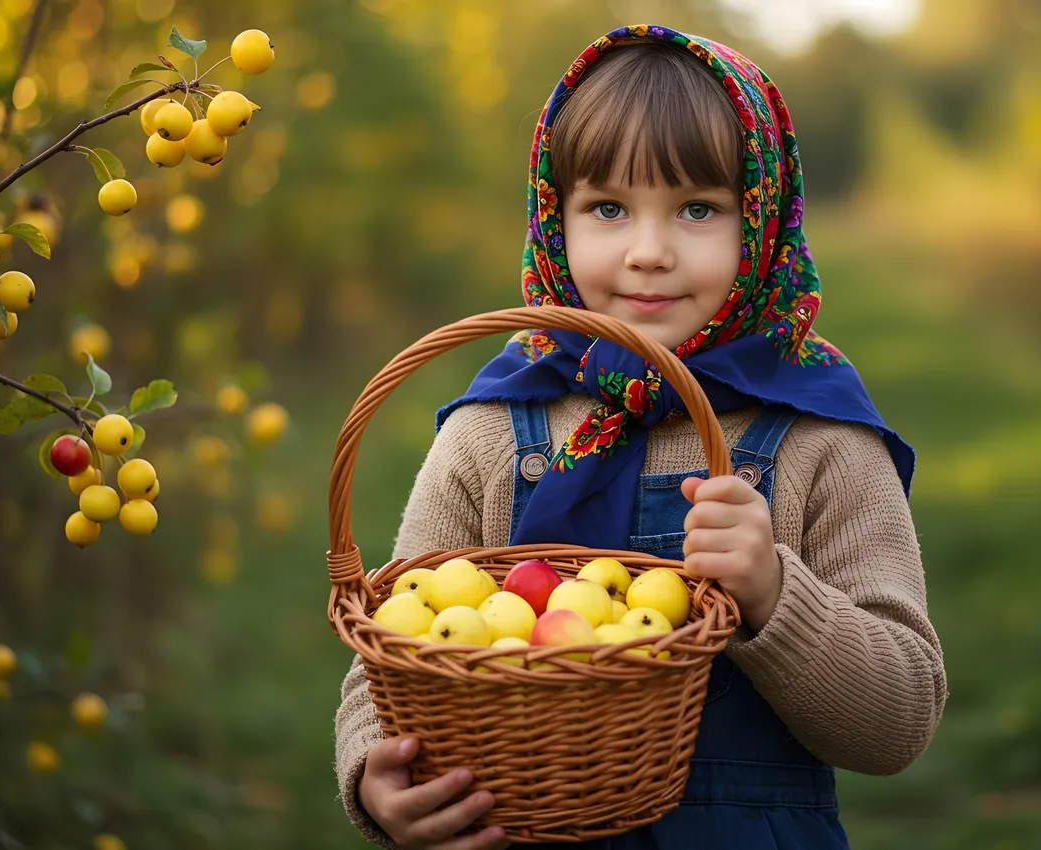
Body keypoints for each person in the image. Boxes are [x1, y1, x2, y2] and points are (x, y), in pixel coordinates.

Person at [335, 24, 946, 850]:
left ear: (761, 221)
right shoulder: (489, 433)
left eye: (698, 208)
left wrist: (773, 596)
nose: (648, 253)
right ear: (556, 216)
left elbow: (899, 720)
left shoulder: (818, 441)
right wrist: (377, 774)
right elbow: (392, 658)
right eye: (609, 209)